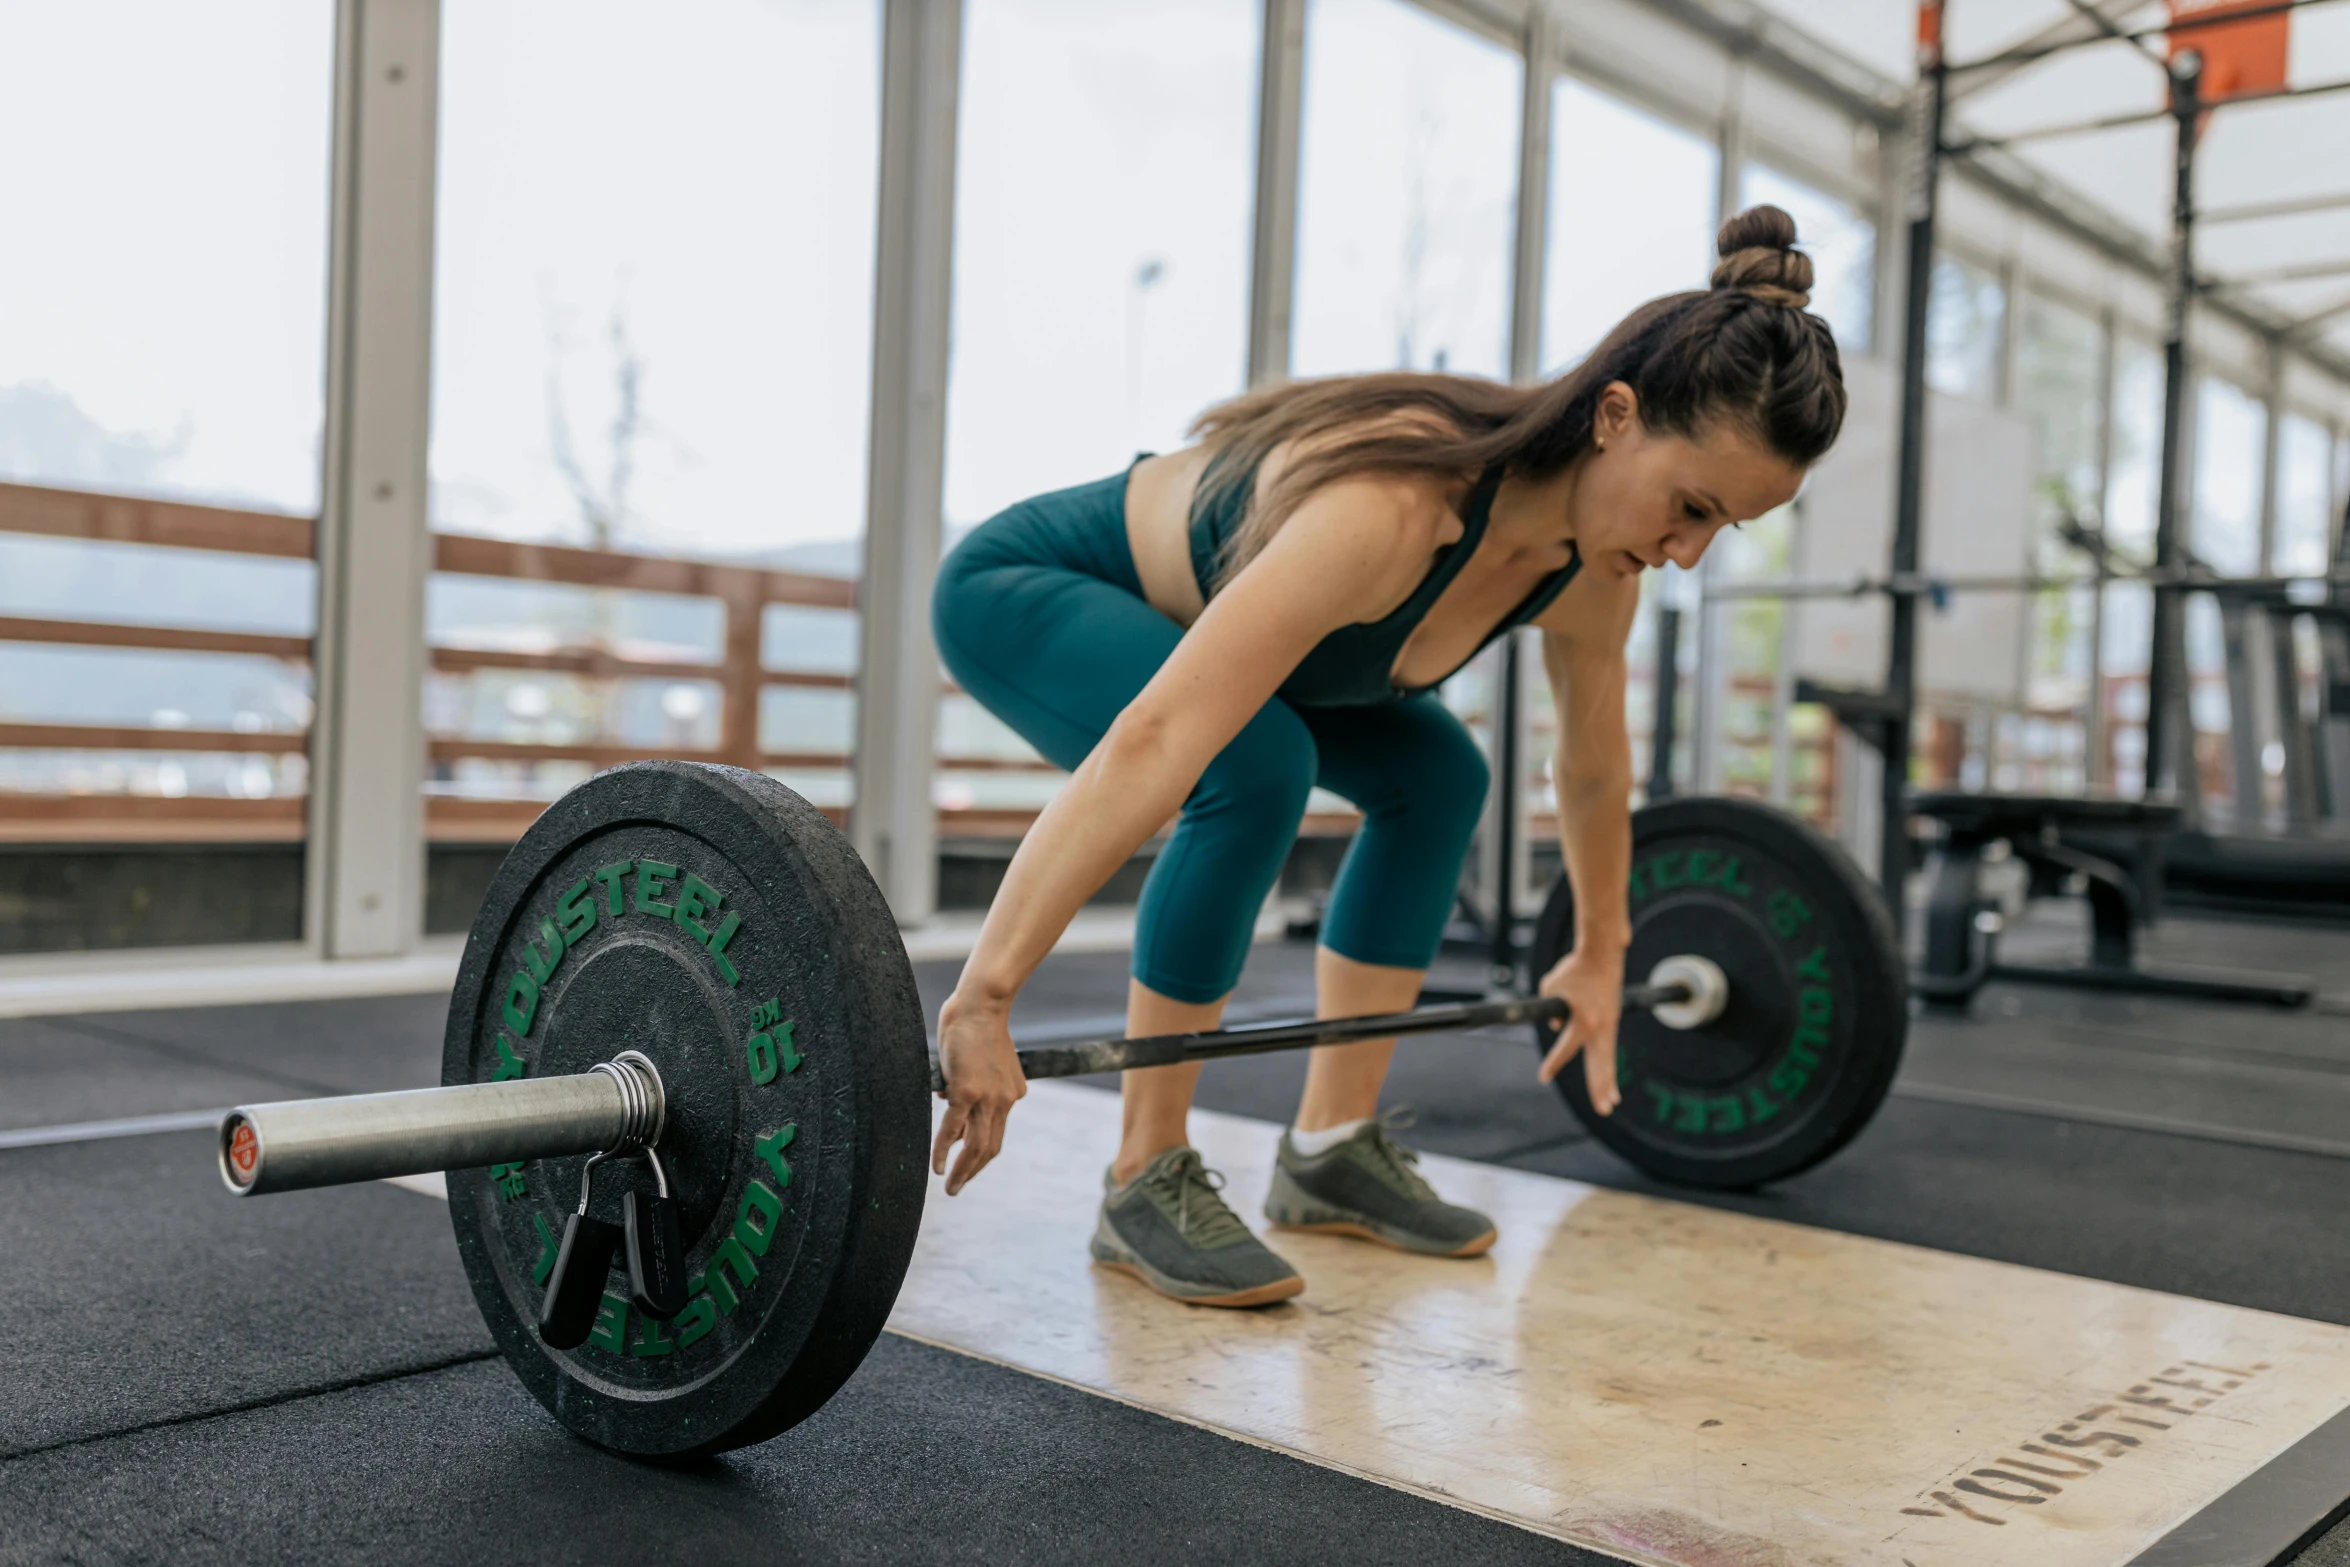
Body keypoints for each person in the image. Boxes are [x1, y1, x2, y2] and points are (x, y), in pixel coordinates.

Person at [927, 205, 1846, 1307]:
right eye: (1689, 507)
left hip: (1256, 660)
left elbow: (1596, 769)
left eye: (1721, 530)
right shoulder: (1398, 513)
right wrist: (985, 994)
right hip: (1035, 591)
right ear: (1614, 415)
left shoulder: (1598, 571)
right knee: (1251, 765)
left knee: (1439, 775)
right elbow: (1164, 733)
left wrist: (1601, 947)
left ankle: (1329, 1149)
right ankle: (1142, 1173)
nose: (1687, 555)